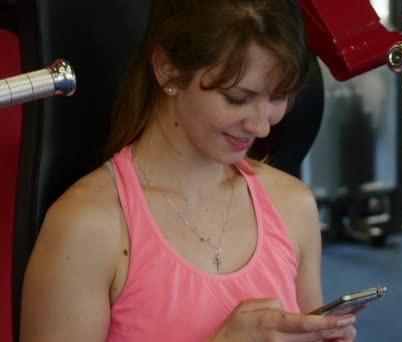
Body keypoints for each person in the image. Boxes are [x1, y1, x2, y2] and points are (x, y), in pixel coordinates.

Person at [19, 0, 358, 341]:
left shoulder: (293, 205)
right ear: (167, 68)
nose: (261, 127)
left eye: (278, 97)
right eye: (238, 98)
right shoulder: (89, 226)